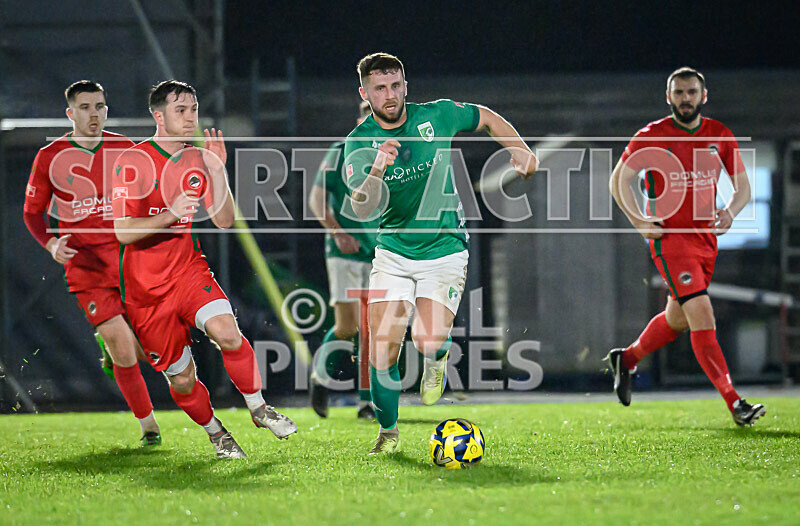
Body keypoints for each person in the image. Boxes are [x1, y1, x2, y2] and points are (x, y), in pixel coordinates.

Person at [344, 53, 538, 454]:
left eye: (395, 85)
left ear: (406, 85)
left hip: (445, 248)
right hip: (394, 252)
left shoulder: (437, 115)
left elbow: (486, 118)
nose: (390, 95)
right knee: (382, 347)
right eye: (379, 89)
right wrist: (377, 168)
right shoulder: (359, 142)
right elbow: (362, 209)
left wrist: (520, 149)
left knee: (426, 340)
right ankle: (388, 434)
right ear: (364, 93)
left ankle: (436, 357)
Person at [112, 80, 297, 459]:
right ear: (158, 115)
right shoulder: (132, 161)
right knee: (182, 379)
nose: (190, 118)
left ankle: (260, 408)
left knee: (228, 332)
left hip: (188, 270)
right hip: (145, 289)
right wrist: (169, 214)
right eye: (180, 110)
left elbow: (224, 220)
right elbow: (123, 231)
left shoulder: (197, 158)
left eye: (194, 109)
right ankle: (217, 433)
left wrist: (217, 170)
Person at [607, 66, 765, 426]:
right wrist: (640, 222)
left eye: (691, 92)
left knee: (677, 319)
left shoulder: (719, 134)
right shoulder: (651, 135)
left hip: (705, 241)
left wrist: (730, 212)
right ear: (668, 97)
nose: (685, 98)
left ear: (703, 96)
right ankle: (735, 403)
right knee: (702, 313)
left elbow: (743, 188)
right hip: (671, 242)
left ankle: (626, 359)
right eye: (679, 93)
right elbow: (619, 181)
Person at [23, 80, 162, 446]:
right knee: (122, 346)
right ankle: (149, 428)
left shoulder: (125, 148)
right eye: (85, 107)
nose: (93, 114)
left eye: (99, 106)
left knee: (155, 350)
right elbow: (33, 212)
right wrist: (51, 244)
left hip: (129, 260)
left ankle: (115, 352)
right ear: (70, 113)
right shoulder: (50, 156)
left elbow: (148, 198)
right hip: (86, 266)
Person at [308, 100, 377, 420]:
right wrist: (337, 233)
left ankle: (367, 403)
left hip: (380, 254)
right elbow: (316, 200)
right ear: (359, 120)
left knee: (374, 329)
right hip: (345, 253)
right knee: (348, 327)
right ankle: (321, 379)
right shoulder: (341, 151)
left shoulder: (392, 155)